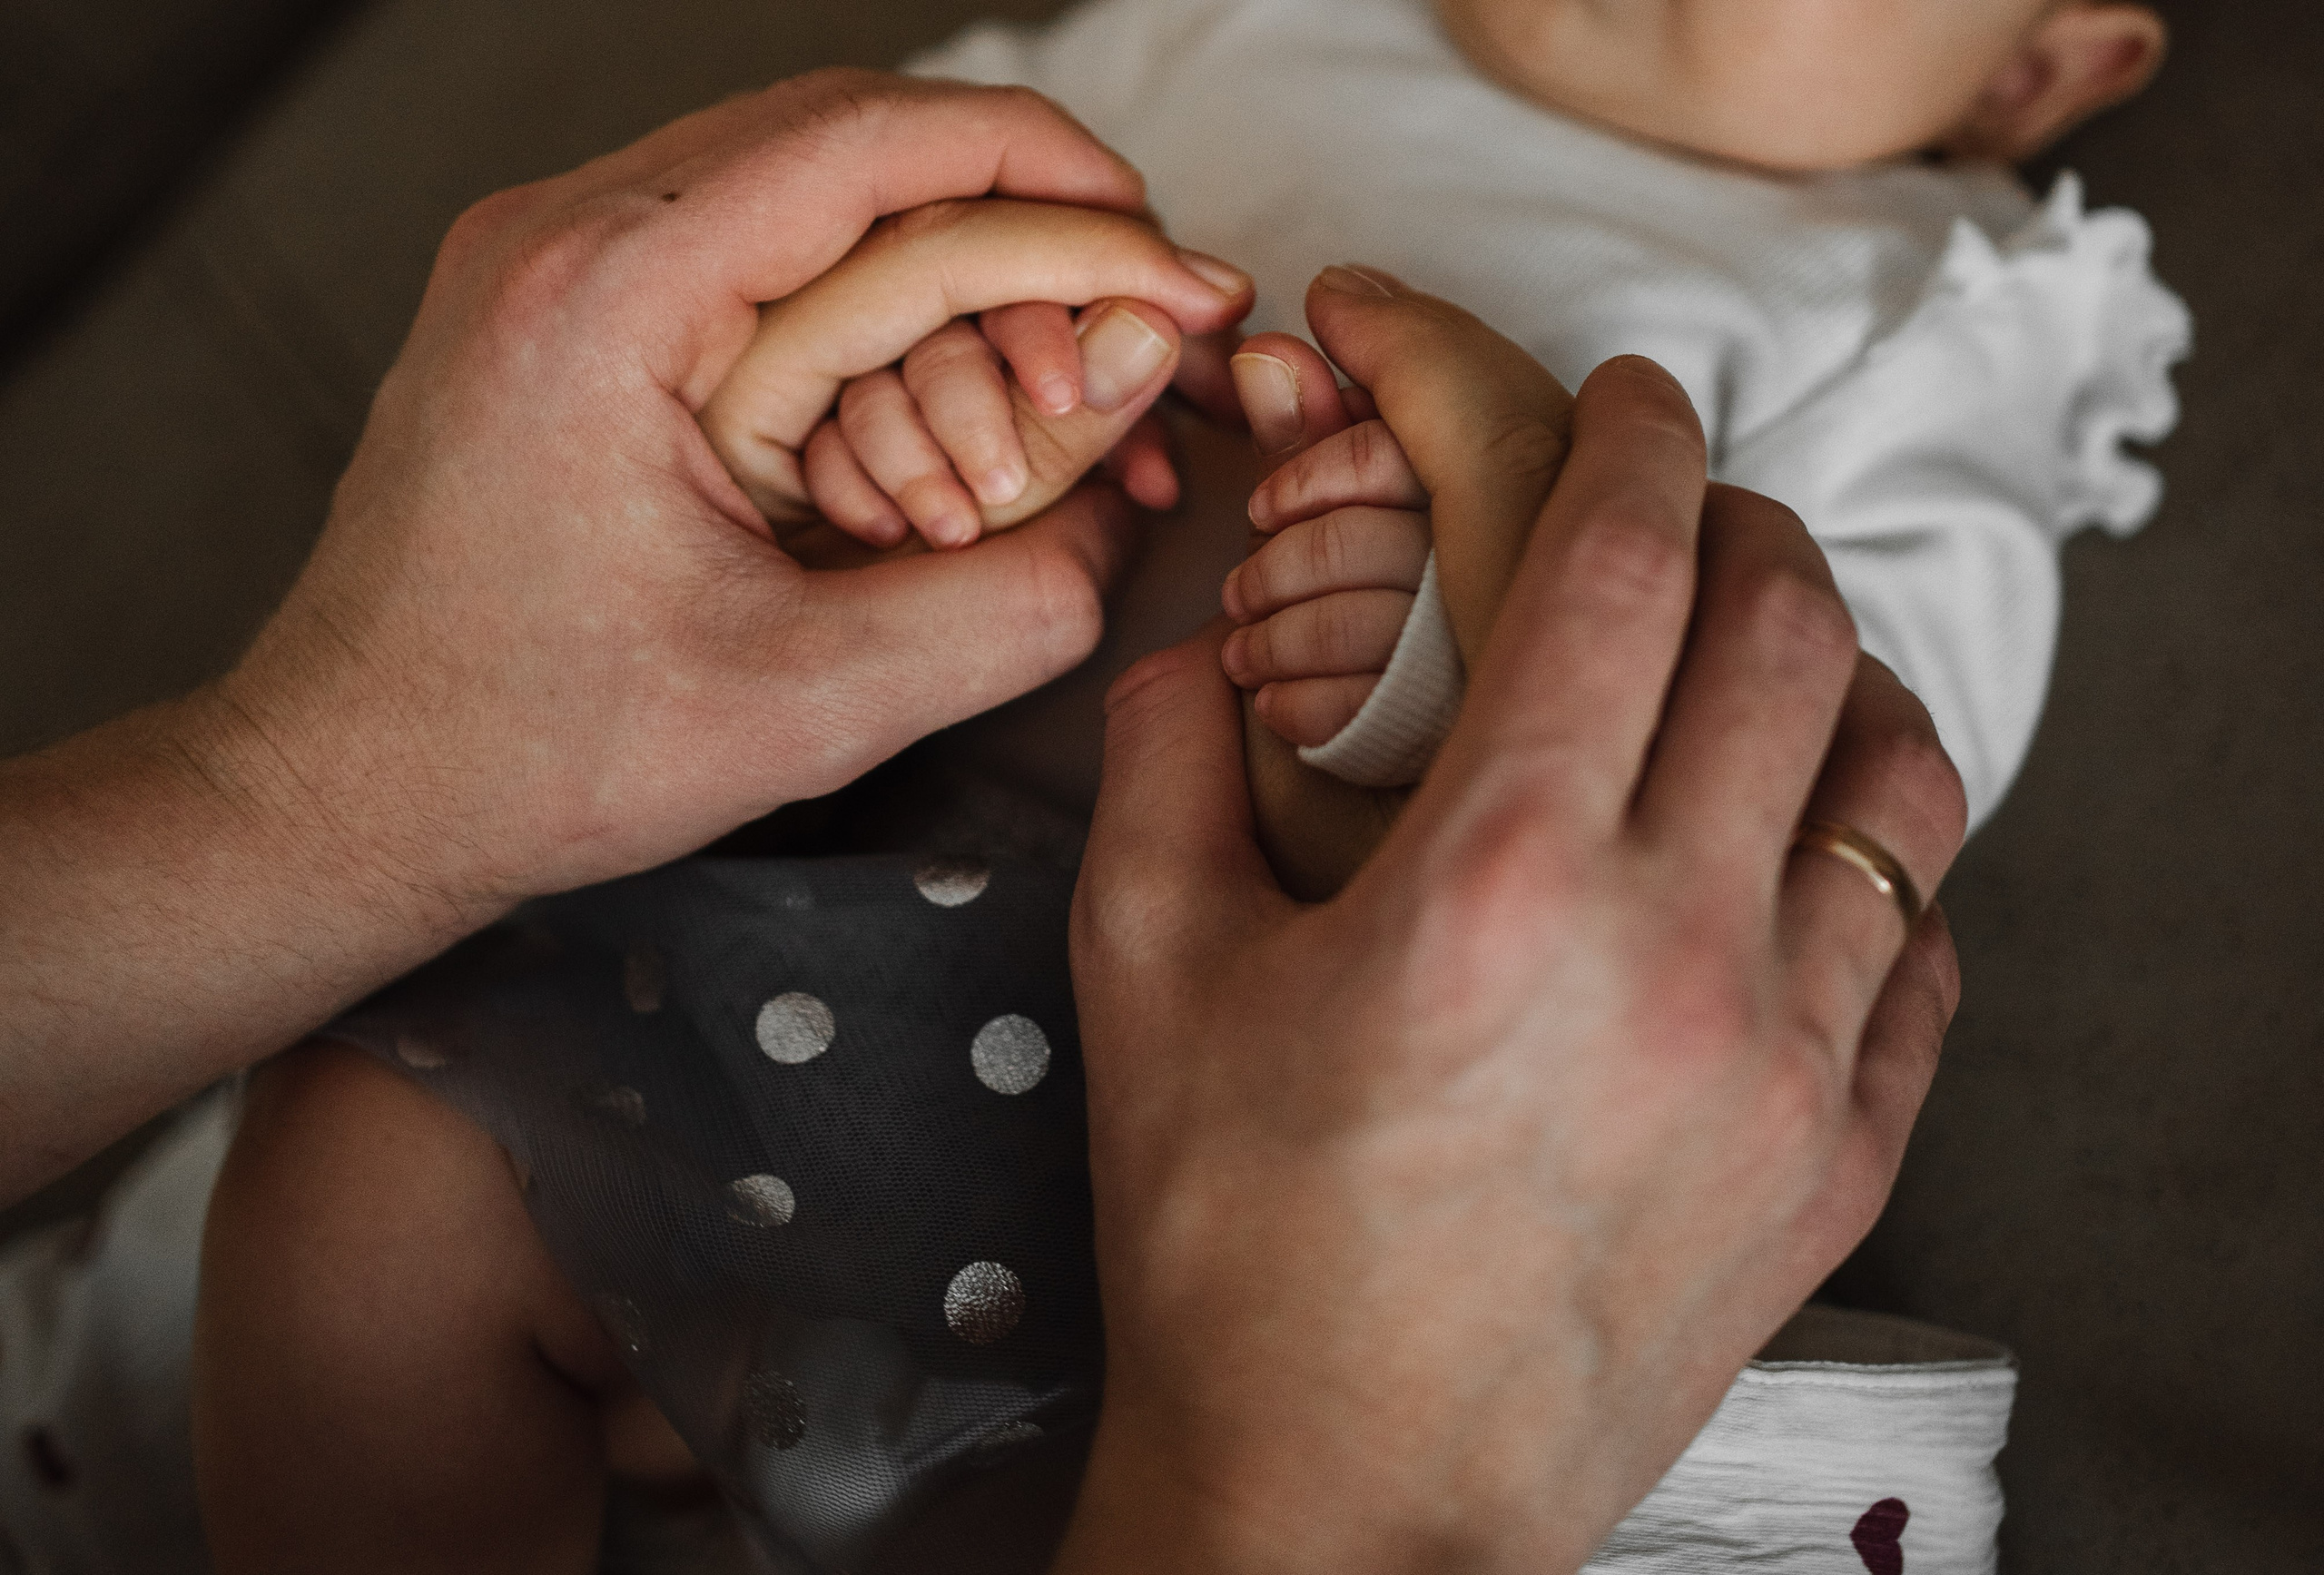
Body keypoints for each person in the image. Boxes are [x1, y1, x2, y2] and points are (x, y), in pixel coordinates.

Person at [0, 70, 1964, 1575]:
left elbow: (1763, 793)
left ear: (2045, 65)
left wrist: (1420, 683)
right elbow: (818, 317)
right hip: (816, 934)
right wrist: (921, 414)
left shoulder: (1953, 308)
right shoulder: (1203, 33)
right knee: (357, 1169)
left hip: (1350, 1078)